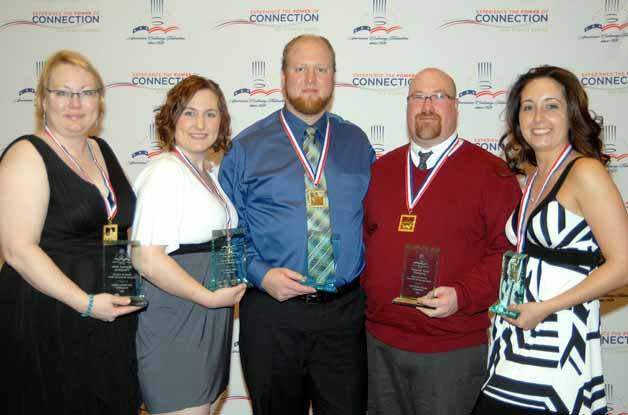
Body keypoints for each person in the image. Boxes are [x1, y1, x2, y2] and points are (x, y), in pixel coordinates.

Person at [219, 34, 375, 415]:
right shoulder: (246, 147)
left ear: (334, 77)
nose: (310, 78)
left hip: (343, 316)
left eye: (321, 69)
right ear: (283, 76)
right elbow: (224, 236)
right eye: (300, 68)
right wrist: (260, 274)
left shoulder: (357, 143)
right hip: (273, 313)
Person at [362, 67, 521, 415]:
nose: (427, 106)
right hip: (380, 343)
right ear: (407, 106)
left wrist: (462, 295)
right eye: (418, 97)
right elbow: (364, 245)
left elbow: (510, 255)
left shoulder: (492, 174)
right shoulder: (380, 171)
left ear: (456, 106)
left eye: (438, 97)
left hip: (452, 348)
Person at [474, 66, 628, 415]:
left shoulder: (586, 172)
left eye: (551, 106)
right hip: (514, 341)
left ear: (571, 113)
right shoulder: (534, 177)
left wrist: (544, 308)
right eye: (528, 107)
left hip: (557, 346)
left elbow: (623, 267)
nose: (538, 117)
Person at [0, 50, 142, 414]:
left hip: (109, 317)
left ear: (100, 100)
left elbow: (119, 227)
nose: (75, 103)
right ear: (42, 99)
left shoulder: (101, 149)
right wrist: (86, 303)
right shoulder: (26, 155)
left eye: (87, 92)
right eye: (63, 92)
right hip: (50, 317)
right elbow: (18, 249)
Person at [131, 75, 246, 415]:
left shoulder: (206, 173)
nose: (200, 124)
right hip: (177, 319)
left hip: (208, 319)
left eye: (211, 114)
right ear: (172, 118)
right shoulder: (164, 171)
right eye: (190, 113)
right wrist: (207, 297)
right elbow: (146, 258)